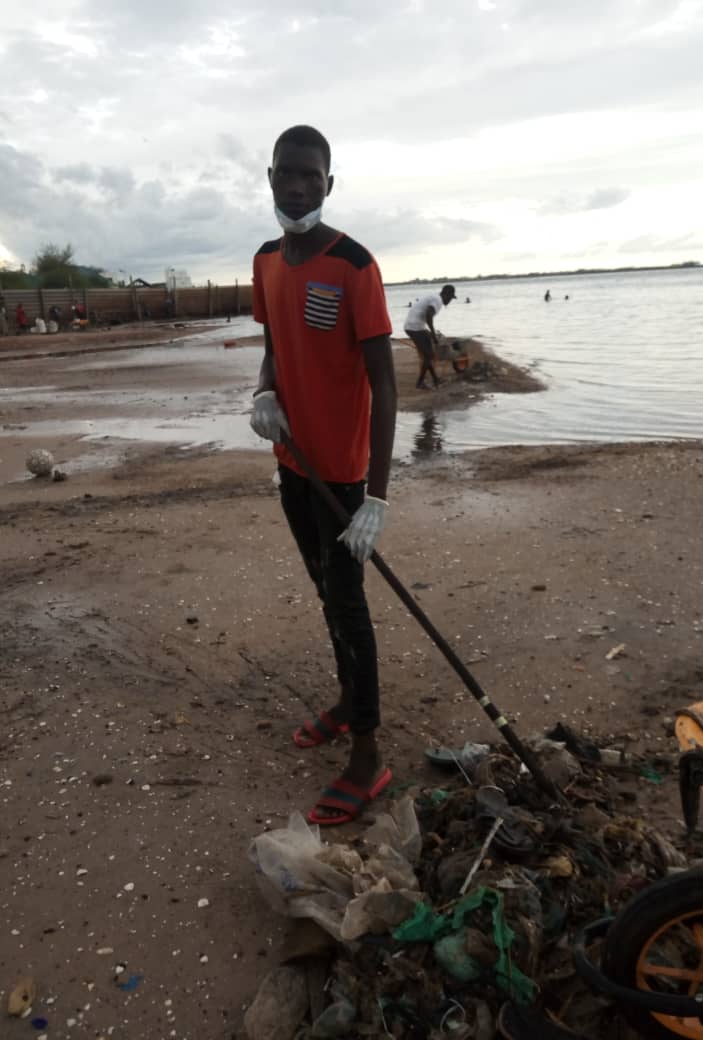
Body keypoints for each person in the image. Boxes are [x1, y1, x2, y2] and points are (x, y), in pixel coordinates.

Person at [249, 124, 397, 827]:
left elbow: (386, 386)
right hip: (292, 465)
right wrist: (263, 391)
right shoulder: (265, 261)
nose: (298, 186)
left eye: (312, 176)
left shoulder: (354, 265)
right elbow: (276, 343)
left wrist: (377, 496)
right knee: (323, 591)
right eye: (287, 174)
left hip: (340, 479)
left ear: (328, 184)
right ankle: (346, 704)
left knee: (348, 606)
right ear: (271, 178)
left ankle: (367, 757)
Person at [403, 284, 456, 389]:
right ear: (447, 295)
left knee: (429, 355)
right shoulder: (438, 301)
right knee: (429, 356)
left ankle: (436, 380)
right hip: (415, 327)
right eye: (450, 298)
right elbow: (428, 315)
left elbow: (426, 315)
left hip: (415, 326)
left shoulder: (435, 297)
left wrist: (430, 333)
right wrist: (432, 333)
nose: (450, 301)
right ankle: (420, 383)